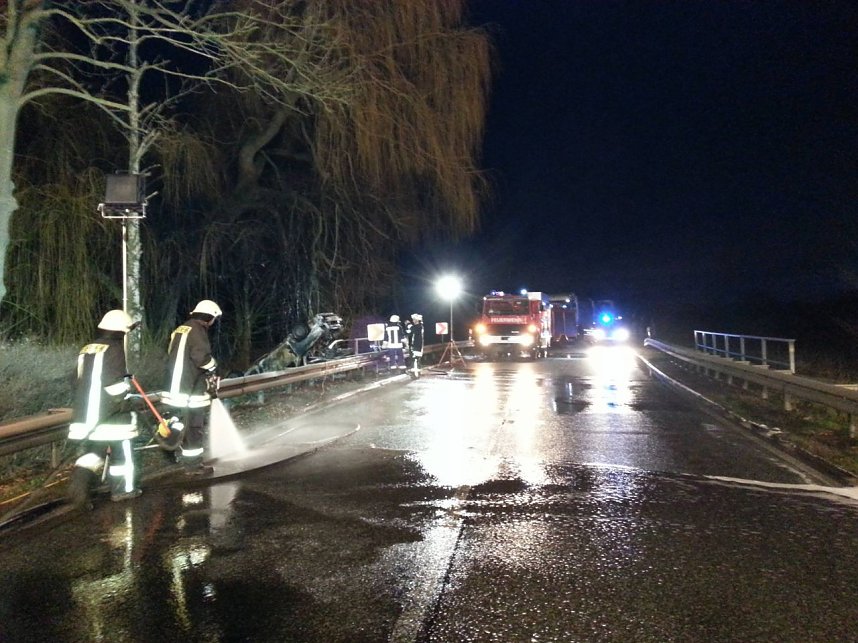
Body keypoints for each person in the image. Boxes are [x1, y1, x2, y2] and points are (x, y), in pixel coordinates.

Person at [67, 309, 141, 506]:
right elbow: (113, 384)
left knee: (94, 451)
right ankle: (123, 489)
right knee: (122, 452)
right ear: (120, 330)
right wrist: (126, 393)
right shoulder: (115, 348)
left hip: (86, 415)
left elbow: (75, 380)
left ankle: (79, 487)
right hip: (111, 416)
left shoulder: (87, 348)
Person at [160, 299, 222, 474]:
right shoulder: (197, 330)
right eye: (213, 319)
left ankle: (167, 448)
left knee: (176, 421)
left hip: (172, 385)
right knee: (194, 425)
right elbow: (201, 358)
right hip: (189, 388)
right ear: (209, 317)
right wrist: (214, 367)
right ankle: (193, 466)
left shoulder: (181, 329)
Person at [406, 313, 424, 378]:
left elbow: (412, 329)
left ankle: (414, 374)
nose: (413, 321)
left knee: (414, 360)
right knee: (417, 360)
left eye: (414, 319)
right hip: (418, 346)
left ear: (417, 320)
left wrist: (408, 324)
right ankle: (417, 373)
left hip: (415, 346)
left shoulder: (417, 327)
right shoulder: (420, 326)